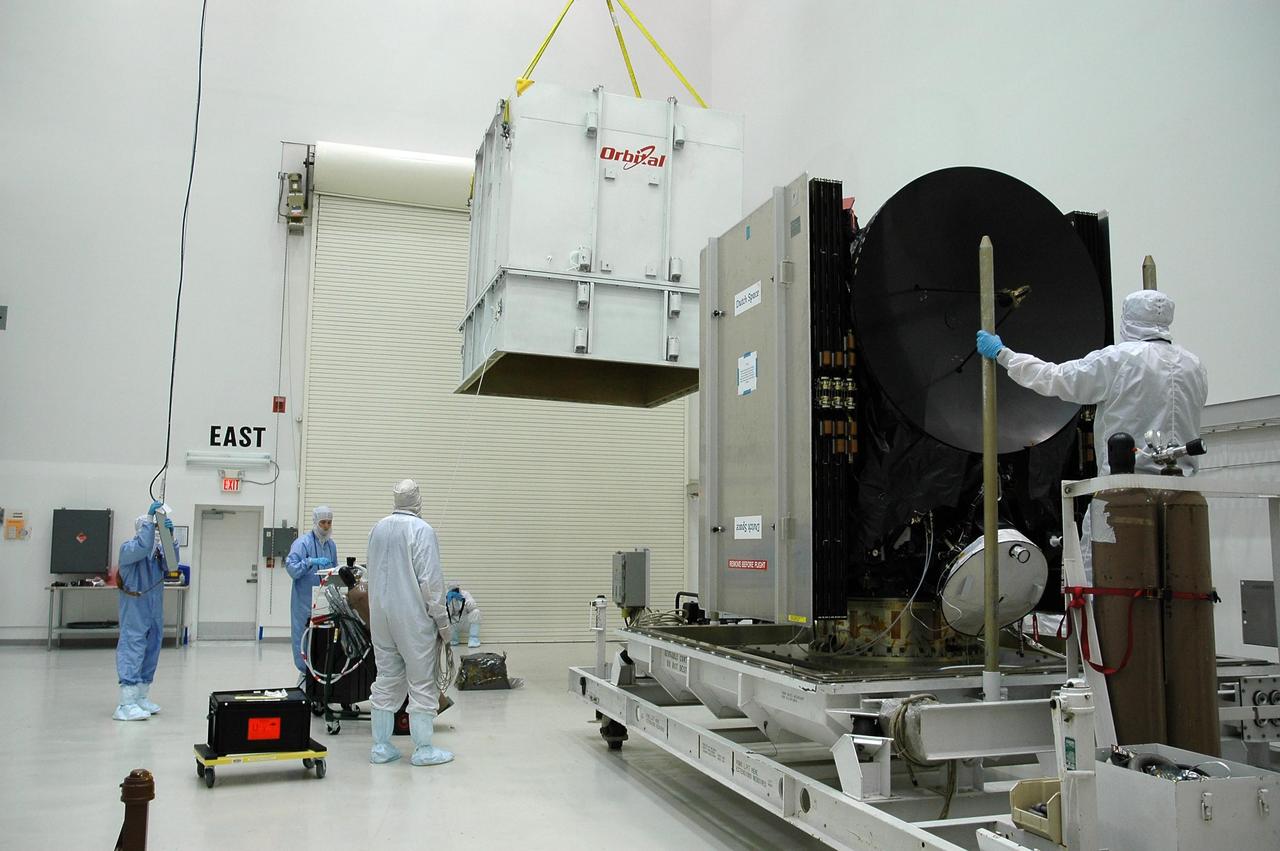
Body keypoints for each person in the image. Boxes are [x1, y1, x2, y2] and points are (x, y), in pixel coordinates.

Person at [977, 288, 1208, 588]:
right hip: (1183, 497)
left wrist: (1004, 355)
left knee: (1102, 582)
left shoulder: (1119, 360)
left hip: (1122, 497)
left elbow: (1055, 378)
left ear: (1129, 319)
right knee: (1178, 584)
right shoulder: (1194, 366)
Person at [366, 479, 454, 766]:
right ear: (417, 499)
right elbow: (430, 583)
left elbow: (370, 575)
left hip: (380, 616)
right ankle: (424, 749)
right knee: (421, 681)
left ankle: (381, 746)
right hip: (412, 619)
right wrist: (443, 623)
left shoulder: (377, 528)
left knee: (386, 678)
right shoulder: (422, 530)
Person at [113, 501, 174, 721]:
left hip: (154, 609)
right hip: (135, 609)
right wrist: (150, 521)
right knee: (133, 646)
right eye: (153, 530)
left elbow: (172, 565)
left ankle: (141, 696)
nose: (155, 535)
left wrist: (169, 536)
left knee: (151, 647)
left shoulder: (156, 557)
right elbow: (142, 546)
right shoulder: (129, 550)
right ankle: (126, 702)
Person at [285, 506, 337, 681]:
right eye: (323, 522)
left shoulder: (331, 546)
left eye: (329, 523)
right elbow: (291, 569)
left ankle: (321, 679)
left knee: (323, 641)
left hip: (325, 604)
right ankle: (304, 677)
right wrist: (309, 562)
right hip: (304, 603)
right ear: (315, 523)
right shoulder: (302, 544)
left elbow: (334, 572)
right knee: (303, 638)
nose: (326, 526)